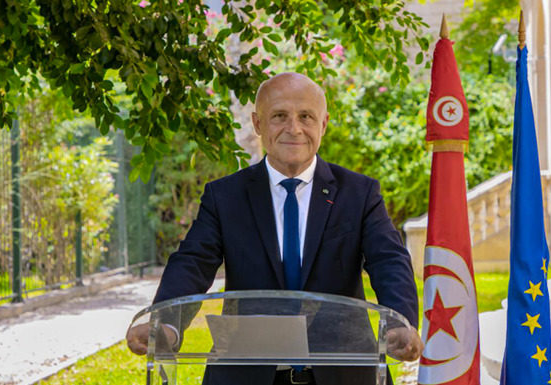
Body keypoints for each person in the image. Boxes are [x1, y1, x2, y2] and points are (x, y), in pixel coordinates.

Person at [126, 72, 423, 385]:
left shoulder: (359, 194)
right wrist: (166, 324)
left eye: (306, 117)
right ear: (257, 124)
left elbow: (389, 260)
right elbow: (192, 263)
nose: (293, 128)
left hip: (343, 372)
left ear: (323, 124)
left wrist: (400, 320)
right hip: (246, 373)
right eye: (279, 116)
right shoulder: (224, 196)